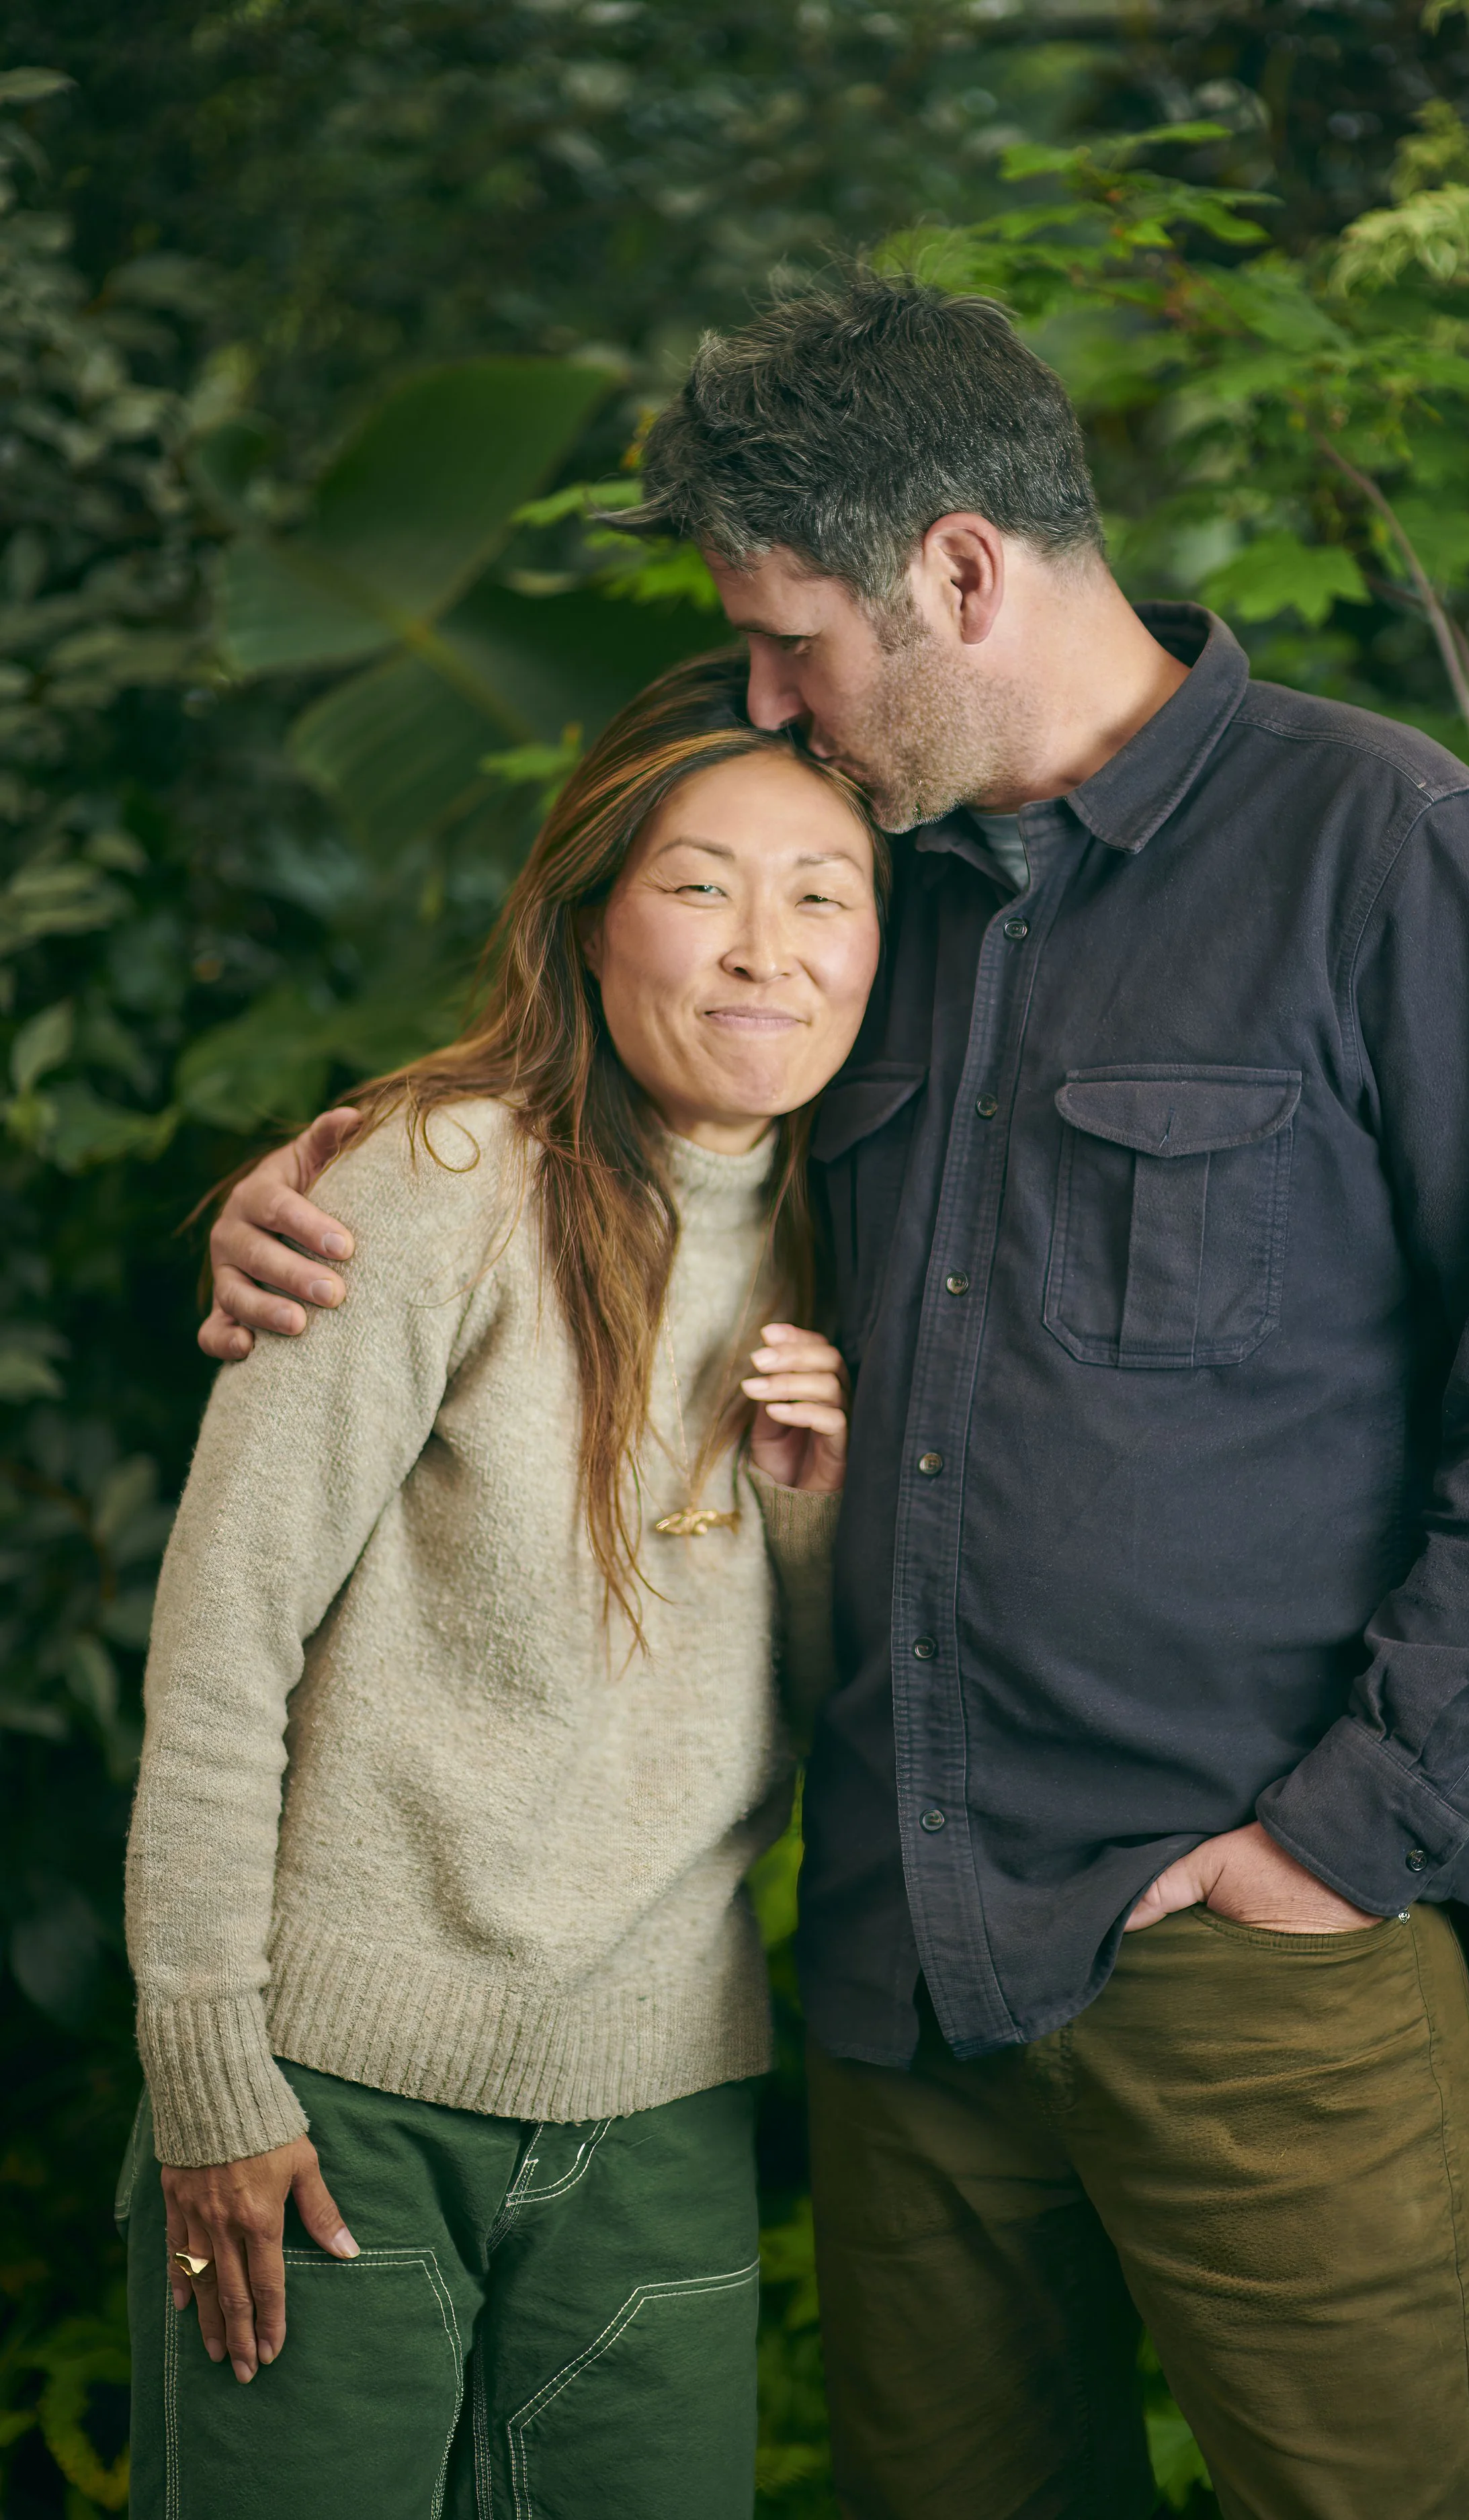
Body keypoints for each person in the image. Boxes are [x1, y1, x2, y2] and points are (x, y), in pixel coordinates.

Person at [201, 276, 1469, 2520]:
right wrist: (305, 1176)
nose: (766, 698)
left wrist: (1338, 1838)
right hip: (903, 1957)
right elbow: (601, 1101)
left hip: (1251, 1951)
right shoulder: (867, 881)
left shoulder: (1387, 849)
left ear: (962, 570)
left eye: (794, 641)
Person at [124, 654, 886, 2520]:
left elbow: (816, 1715)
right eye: (699, 884)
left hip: (662, 2111)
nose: (760, 948)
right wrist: (213, 2073)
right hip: (337, 2088)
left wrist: (807, 1508)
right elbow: (223, 1644)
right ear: (590, 913)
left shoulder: (869, 1229)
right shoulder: (435, 1180)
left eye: (823, 894)